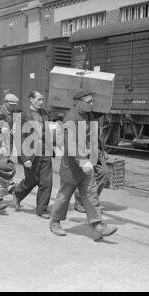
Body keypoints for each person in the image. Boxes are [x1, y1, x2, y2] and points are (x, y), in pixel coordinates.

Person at [49, 89, 118, 238]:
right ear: (78, 103)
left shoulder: (88, 114)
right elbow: (70, 144)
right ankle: (55, 222)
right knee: (64, 196)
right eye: (89, 102)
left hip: (87, 163)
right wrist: (82, 161)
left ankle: (97, 225)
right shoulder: (70, 118)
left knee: (91, 194)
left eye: (93, 101)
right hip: (73, 166)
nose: (92, 104)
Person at [12, 90, 52, 219]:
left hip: (44, 151)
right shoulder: (23, 115)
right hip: (30, 153)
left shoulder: (44, 113)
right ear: (31, 99)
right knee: (31, 180)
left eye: (42, 100)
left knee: (46, 182)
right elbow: (19, 138)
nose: (41, 102)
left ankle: (42, 209)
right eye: (38, 99)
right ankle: (17, 194)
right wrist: (25, 158)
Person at [0, 93, 20, 195]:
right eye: (11, 104)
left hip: (8, 141)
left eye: (15, 104)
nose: (14, 106)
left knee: (5, 161)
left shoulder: (14, 112)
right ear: (6, 103)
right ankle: (3, 183)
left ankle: (5, 182)